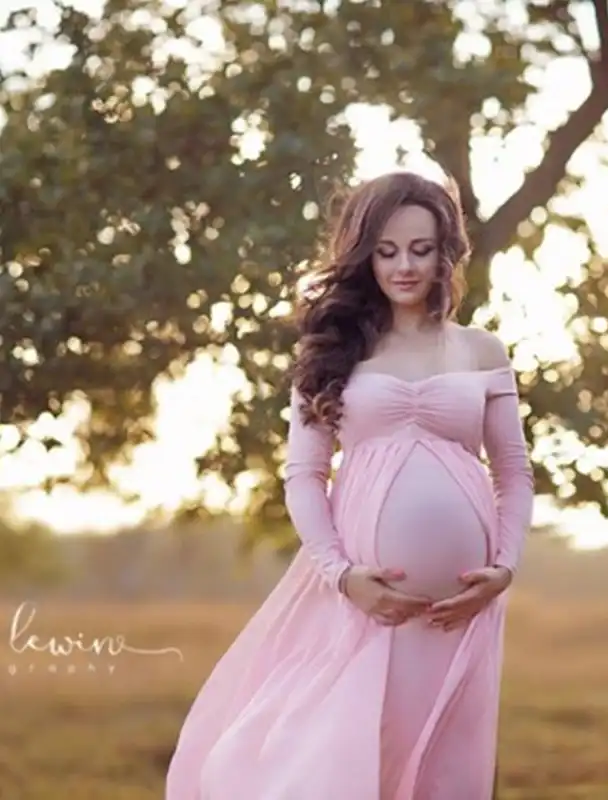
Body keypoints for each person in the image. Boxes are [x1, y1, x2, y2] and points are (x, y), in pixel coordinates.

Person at [165, 170, 535, 799]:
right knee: (326, 762)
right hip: (362, 602)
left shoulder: (480, 350)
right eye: (387, 251)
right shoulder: (333, 351)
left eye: (421, 249)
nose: (405, 266)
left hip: (460, 613)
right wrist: (341, 575)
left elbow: (514, 473)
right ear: (365, 257)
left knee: (442, 771)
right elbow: (304, 476)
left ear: (447, 252)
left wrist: (504, 567)